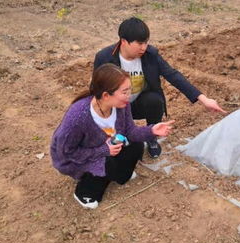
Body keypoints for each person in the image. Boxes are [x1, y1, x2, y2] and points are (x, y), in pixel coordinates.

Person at [93, 17, 226, 158]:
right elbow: (96, 89)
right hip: (116, 106)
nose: (144, 47)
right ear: (124, 41)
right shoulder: (105, 57)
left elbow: (173, 75)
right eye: (139, 43)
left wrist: (204, 99)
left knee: (154, 100)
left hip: (138, 104)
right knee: (123, 146)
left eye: (146, 42)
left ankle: (152, 137)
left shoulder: (150, 55)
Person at [50, 63, 174, 209]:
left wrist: (152, 130)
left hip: (108, 146)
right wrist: (104, 151)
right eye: (125, 92)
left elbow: (130, 132)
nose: (129, 96)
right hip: (75, 158)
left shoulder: (122, 105)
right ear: (106, 95)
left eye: (129, 90)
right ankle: (84, 192)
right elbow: (66, 152)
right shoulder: (78, 117)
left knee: (136, 146)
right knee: (107, 165)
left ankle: (118, 174)